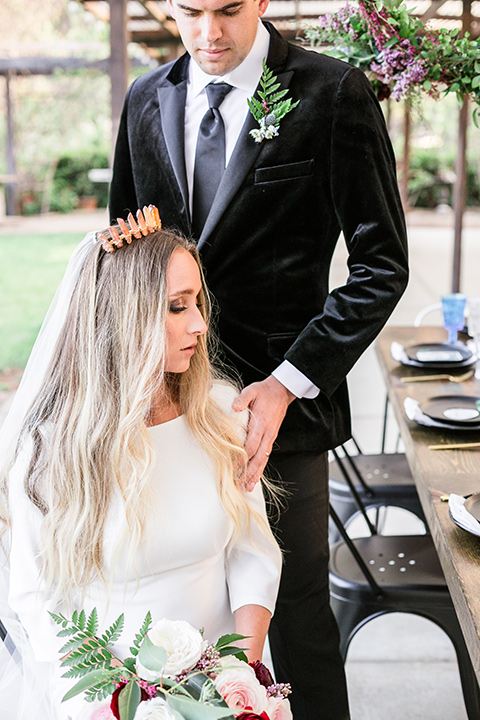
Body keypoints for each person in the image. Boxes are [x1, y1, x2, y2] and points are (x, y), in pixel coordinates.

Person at [108, 2, 410, 717]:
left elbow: (380, 264)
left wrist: (287, 383)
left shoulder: (334, 94)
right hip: (162, 408)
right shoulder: (145, 99)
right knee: (174, 614)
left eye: (229, 10)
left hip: (280, 415)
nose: (209, 32)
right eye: (191, 11)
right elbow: (121, 257)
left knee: (296, 608)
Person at [0, 208, 282, 720]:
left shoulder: (222, 416)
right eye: (177, 307)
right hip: (105, 700)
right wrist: (110, 708)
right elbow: (36, 600)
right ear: (121, 318)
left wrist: (240, 676)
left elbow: (253, 554)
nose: (199, 323)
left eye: (197, 301)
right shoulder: (47, 455)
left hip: (228, 684)